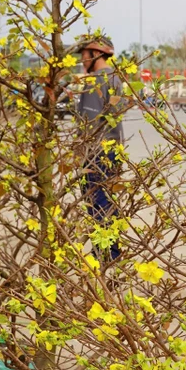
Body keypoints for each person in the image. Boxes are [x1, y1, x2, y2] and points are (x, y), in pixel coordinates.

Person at [73, 34, 126, 262]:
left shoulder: (94, 81)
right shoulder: (115, 78)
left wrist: (79, 152)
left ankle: (106, 253)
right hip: (114, 150)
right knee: (108, 200)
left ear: (95, 54)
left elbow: (89, 123)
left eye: (84, 55)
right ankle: (111, 250)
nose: (82, 60)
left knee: (97, 201)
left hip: (96, 152)